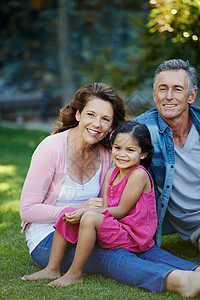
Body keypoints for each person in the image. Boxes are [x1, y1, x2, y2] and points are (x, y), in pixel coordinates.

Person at [21, 121, 200, 298]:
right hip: (118, 228)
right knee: (68, 215)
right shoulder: (111, 173)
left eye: (130, 150)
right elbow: (107, 208)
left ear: (143, 154)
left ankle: (75, 273)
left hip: (133, 233)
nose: (122, 154)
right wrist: (79, 212)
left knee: (88, 217)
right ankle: (52, 268)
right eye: (118, 148)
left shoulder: (138, 174)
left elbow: (121, 210)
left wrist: (86, 213)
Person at [133, 59, 200, 249]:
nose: (169, 96)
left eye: (178, 89)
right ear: (155, 94)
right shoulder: (142, 131)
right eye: (163, 89)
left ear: (191, 95)